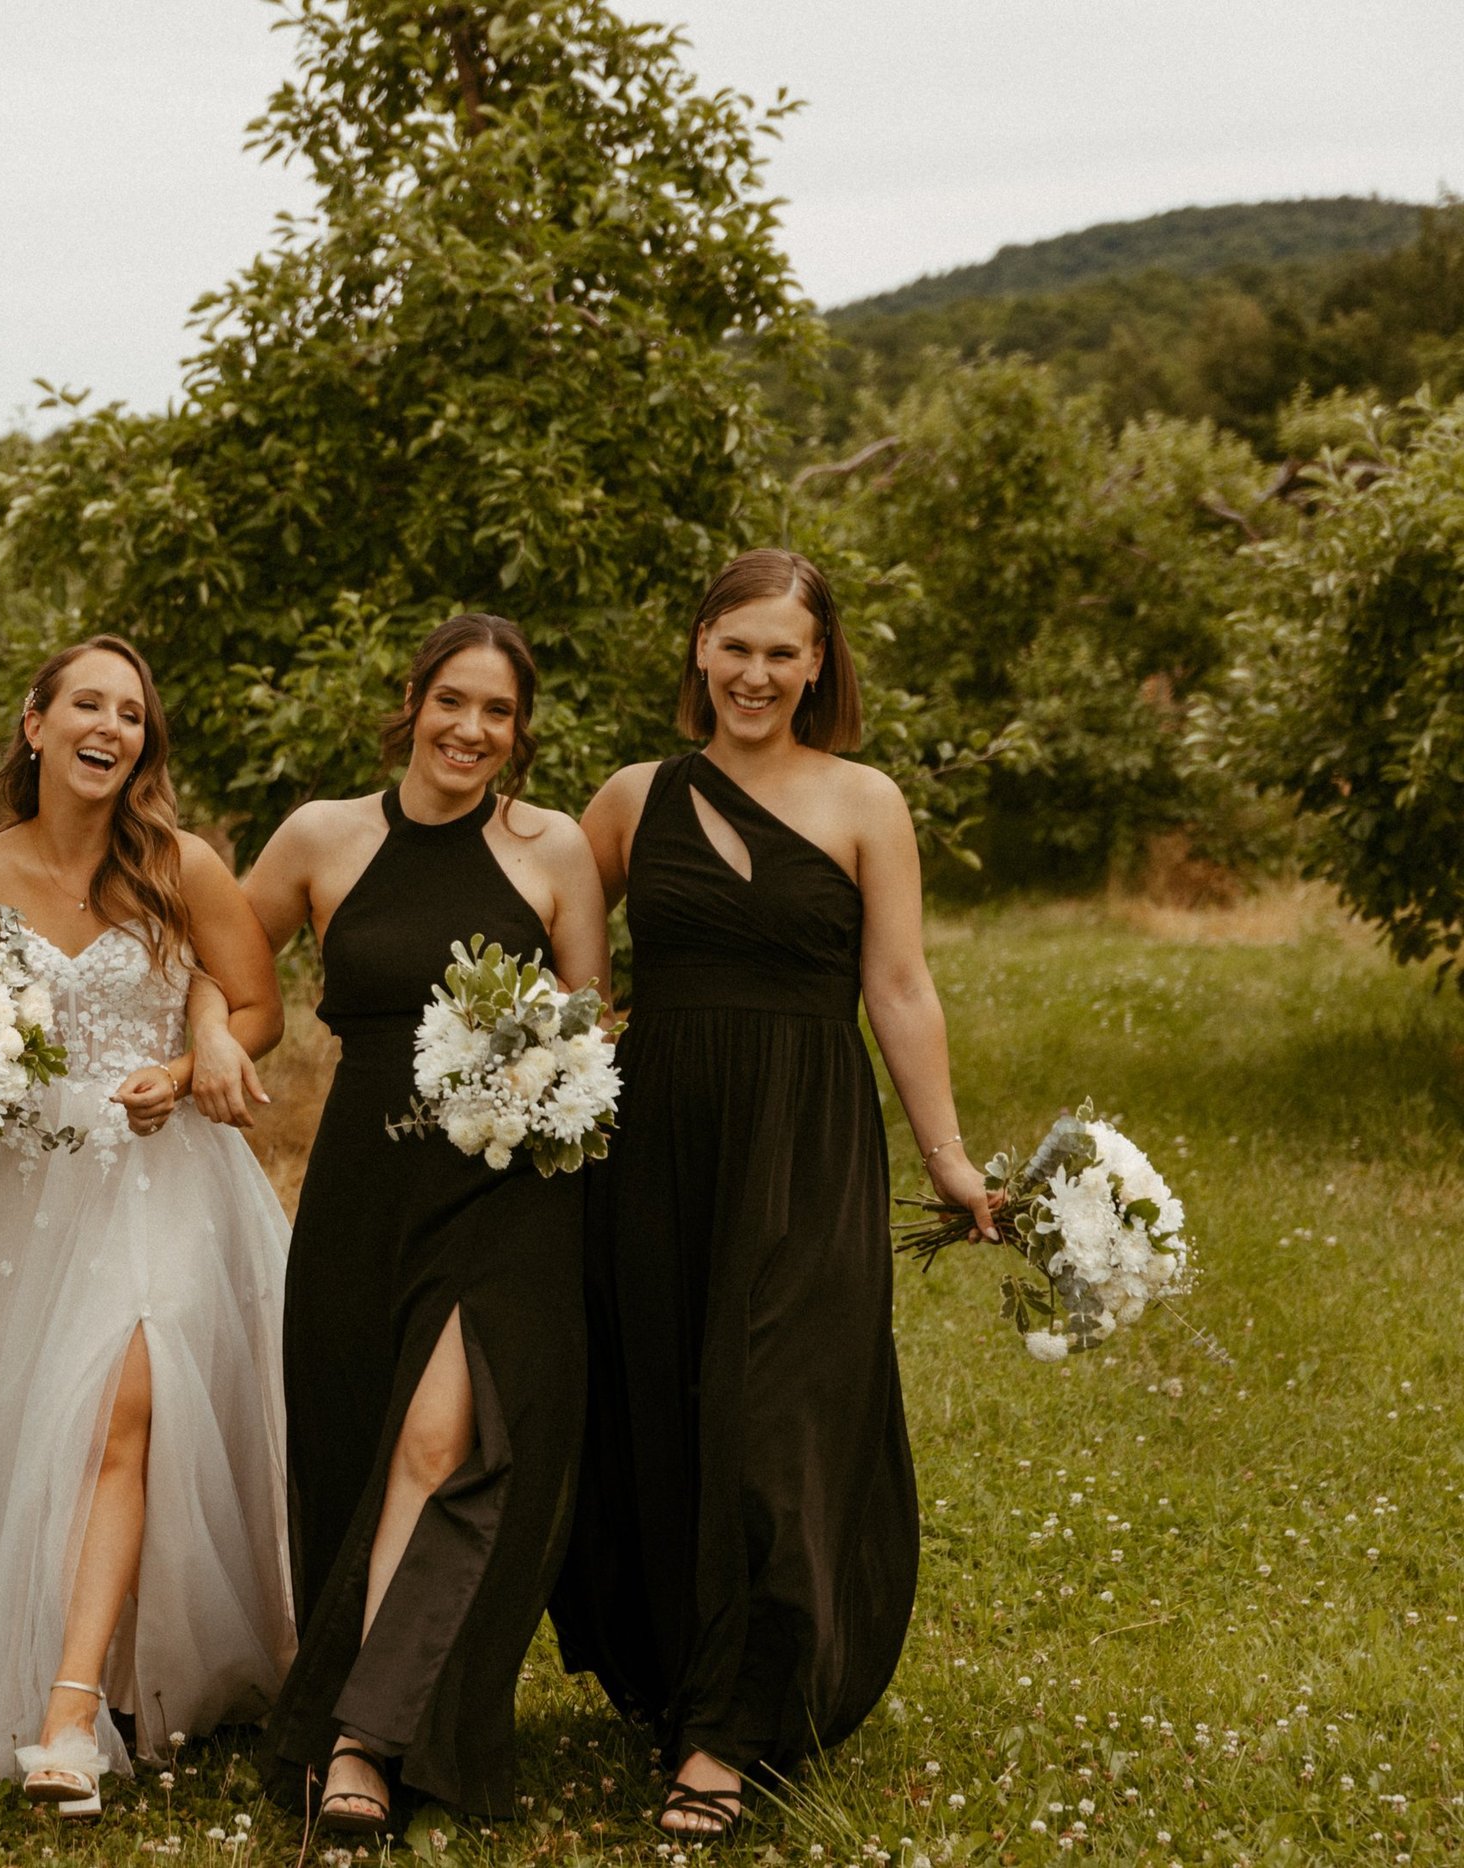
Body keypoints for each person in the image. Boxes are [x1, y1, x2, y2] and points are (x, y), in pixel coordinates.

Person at [552, 548, 998, 1841]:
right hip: (658, 1139)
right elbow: (553, 951)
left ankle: (732, 1731)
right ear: (699, 650)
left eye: (781, 651)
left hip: (806, 1137)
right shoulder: (633, 799)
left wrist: (948, 1156)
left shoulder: (866, 802)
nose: (756, 673)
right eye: (734, 646)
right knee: (669, 1400)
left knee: (776, 1411)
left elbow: (900, 989)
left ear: (819, 664)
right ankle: (683, 1674)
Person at [0, 637, 294, 1818]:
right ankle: (93, 1645)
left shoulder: (181, 864)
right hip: (23, 1187)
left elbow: (256, 1001)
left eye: (131, 712)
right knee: (36, 1418)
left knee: (126, 1397)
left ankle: (67, 1713)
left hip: (163, 1170)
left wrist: (194, 1050)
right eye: (88, 705)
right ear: (35, 722)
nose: (110, 725)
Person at [222, 614, 609, 1830]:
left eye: (498, 712)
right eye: (455, 701)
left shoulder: (552, 849)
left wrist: (554, 1066)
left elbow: (592, 1022)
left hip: (510, 1190)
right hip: (361, 1182)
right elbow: (221, 958)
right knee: (355, 1442)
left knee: (442, 1441)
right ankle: (358, 1691)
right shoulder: (322, 836)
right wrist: (202, 1042)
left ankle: (360, 1742)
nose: (472, 730)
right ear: (413, 700)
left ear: (519, 731)